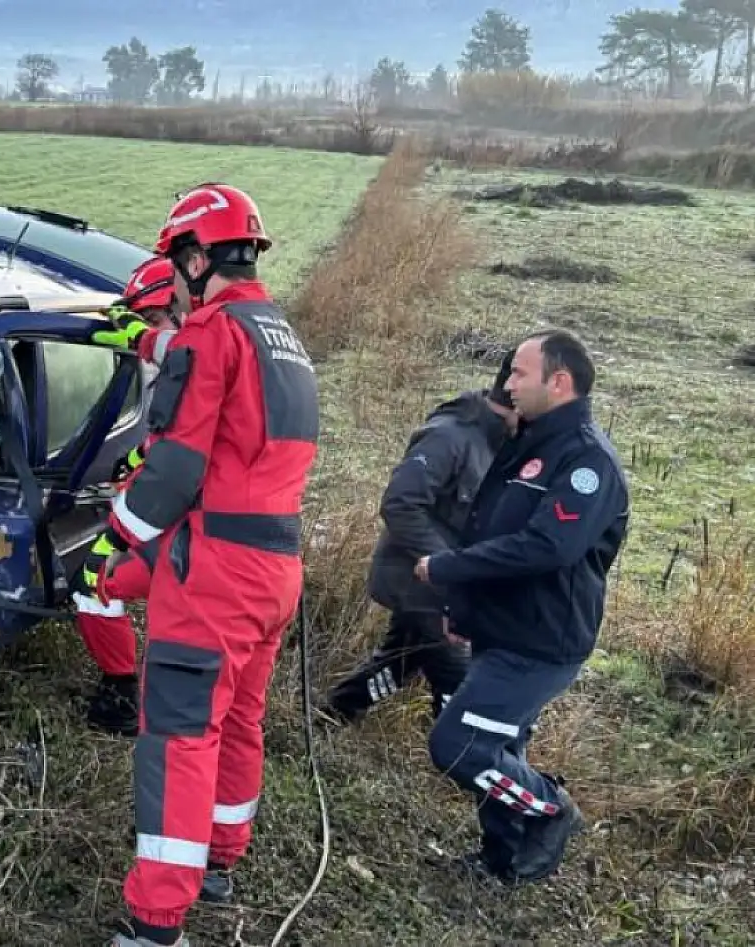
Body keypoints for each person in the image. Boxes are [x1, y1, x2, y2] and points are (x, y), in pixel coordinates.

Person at [78, 184, 320, 946]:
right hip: (275, 569)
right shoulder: (280, 335)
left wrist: (117, 537)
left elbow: (176, 469)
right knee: (238, 718)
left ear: (194, 258)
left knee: (179, 738)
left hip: (214, 575)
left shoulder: (210, 333)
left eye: (177, 268)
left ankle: (155, 922)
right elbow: (210, 386)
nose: (177, 291)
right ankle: (219, 858)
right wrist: (143, 342)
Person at [416, 328, 628, 885]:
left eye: (518, 373)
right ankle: (503, 861)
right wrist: (463, 608)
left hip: (541, 642)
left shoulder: (587, 462)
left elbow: (546, 547)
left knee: (459, 745)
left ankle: (552, 810)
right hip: (502, 628)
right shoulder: (530, 443)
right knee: (499, 744)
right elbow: (488, 526)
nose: (507, 384)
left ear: (559, 382)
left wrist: (448, 569)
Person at [321, 348, 520, 724]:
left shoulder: (505, 443)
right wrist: (450, 568)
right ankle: (460, 753)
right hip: (417, 583)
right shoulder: (450, 436)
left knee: (398, 663)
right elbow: (400, 504)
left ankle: (332, 715)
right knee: (460, 686)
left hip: (449, 588)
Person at [71, 256, 181, 737]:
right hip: (206, 534)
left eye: (154, 319)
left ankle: (122, 699)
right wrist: (134, 458)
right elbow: (166, 441)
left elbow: (179, 463)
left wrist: (115, 539)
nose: (147, 335)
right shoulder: (194, 360)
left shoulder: (191, 365)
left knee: (96, 582)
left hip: (191, 537)